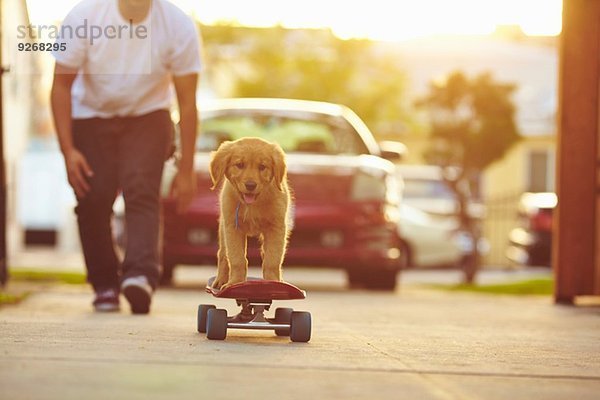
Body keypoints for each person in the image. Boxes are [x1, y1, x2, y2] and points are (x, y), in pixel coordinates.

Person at [50, 0, 202, 314]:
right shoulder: (83, 17)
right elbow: (61, 86)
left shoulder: (177, 25)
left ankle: (140, 276)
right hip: (91, 115)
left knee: (141, 190)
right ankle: (104, 283)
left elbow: (187, 103)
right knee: (93, 195)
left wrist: (186, 170)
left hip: (148, 116)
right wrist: (68, 151)